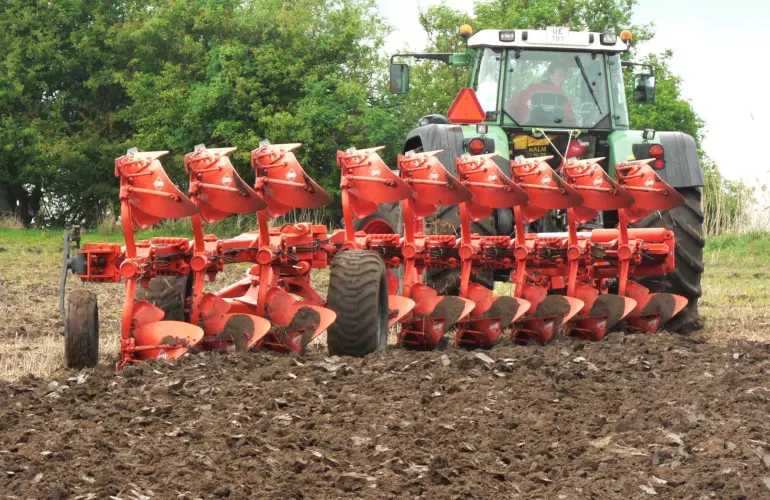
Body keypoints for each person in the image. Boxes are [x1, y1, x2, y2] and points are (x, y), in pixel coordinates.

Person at [505, 62, 575, 125]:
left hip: (527, 134)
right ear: (550, 74)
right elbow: (570, 118)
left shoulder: (531, 89)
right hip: (557, 135)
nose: (562, 79)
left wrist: (517, 125)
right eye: (559, 75)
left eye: (564, 76)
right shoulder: (561, 94)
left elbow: (511, 107)